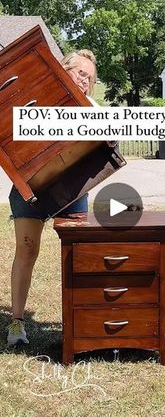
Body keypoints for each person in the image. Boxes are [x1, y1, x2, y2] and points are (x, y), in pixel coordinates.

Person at [7, 49, 107, 346]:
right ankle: (16, 323)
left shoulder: (92, 108)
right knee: (27, 249)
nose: (85, 81)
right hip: (31, 188)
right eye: (80, 73)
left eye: (89, 78)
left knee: (76, 256)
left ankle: (78, 323)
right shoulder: (36, 98)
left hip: (71, 192)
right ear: (62, 69)